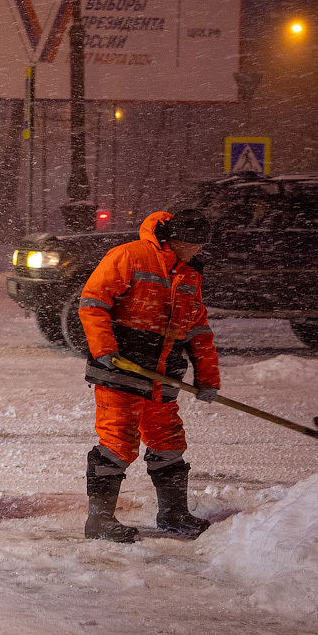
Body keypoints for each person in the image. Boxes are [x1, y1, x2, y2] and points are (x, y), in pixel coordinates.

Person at [77, 209, 220, 544]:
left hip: (163, 374)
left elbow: (198, 330)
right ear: (179, 239)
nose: (199, 250)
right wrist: (104, 349)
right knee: (117, 443)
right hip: (121, 369)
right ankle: (99, 521)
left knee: (169, 444)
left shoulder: (189, 274)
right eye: (196, 244)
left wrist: (208, 379)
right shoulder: (130, 255)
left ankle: (173, 514)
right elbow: (92, 302)